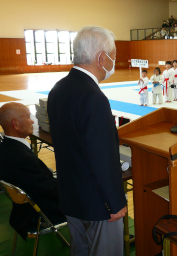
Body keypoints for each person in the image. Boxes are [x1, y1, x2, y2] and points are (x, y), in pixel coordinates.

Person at [47, 26, 127, 255]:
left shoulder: (58, 88)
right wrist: (115, 202)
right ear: (102, 58)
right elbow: (101, 157)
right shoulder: (93, 98)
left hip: (71, 195)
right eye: (113, 56)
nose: (113, 62)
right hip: (97, 204)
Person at [0, 102, 65, 239]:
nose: (32, 121)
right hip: (43, 212)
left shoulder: (7, 148)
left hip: (25, 209)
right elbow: (50, 190)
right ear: (15, 124)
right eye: (29, 117)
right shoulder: (22, 158)